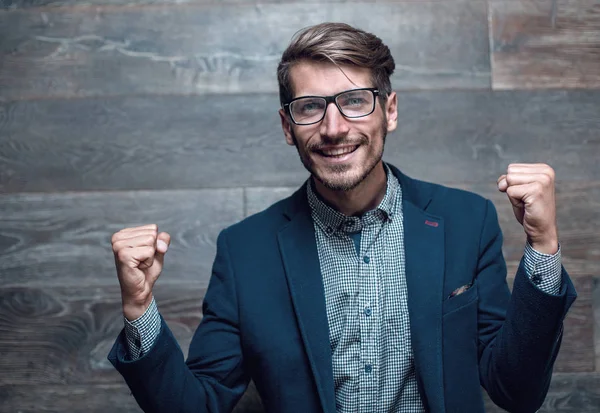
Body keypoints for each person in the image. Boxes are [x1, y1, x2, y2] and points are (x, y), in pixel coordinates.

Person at [108, 23, 577, 413]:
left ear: (388, 111)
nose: (334, 129)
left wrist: (543, 246)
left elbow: (516, 391)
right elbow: (197, 404)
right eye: (310, 107)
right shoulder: (245, 251)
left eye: (354, 101)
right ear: (288, 127)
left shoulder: (465, 221)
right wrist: (139, 308)